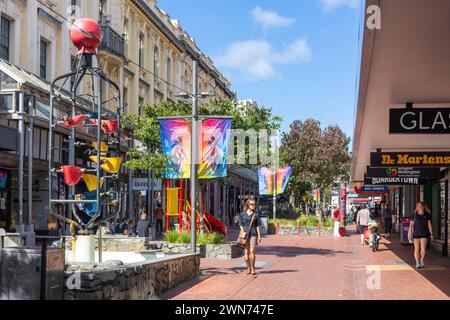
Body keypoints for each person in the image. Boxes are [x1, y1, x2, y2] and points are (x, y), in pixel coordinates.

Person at [239, 199, 261, 275]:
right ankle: (248, 268)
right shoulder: (242, 214)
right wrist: (242, 231)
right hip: (245, 235)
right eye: (252, 204)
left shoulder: (256, 214)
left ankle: (253, 268)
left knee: (252, 251)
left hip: (253, 234)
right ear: (248, 205)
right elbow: (240, 224)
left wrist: (259, 236)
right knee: (246, 252)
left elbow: (258, 225)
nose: (253, 206)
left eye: (254, 204)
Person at [408, 201, 433, 269]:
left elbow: (429, 224)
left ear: (423, 207)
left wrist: (431, 234)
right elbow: (411, 224)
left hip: (424, 234)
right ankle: (417, 262)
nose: (419, 207)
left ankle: (421, 259)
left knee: (423, 250)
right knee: (416, 249)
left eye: (420, 206)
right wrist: (410, 232)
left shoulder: (427, 214)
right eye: (418, 206)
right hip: (416, 234)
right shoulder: (414, 214)